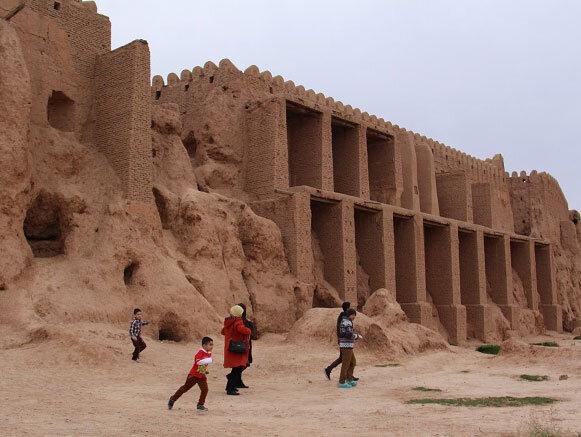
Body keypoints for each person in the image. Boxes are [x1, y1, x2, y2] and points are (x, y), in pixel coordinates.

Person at [168, 337, 214, 412]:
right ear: (204, 345)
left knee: (205, 389)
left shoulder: (208, 353)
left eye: (212, 345)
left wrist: (204, 370)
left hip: (201, 375)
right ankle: (172, 399)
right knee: (185, 388)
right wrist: (209, 360)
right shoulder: (200, 352)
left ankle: (200, 405)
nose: (211, 346)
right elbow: (198, 362)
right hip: (194, 375)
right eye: (210, 345)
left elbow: (203, 365)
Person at [221, 305, 252, 395]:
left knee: (236, 368)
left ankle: (232, 386)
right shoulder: (238, 321)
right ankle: (230, 388)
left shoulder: (229, 322)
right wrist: (248, 330)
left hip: (230, 348)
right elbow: (241, 329)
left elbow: (223, 331)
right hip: (237, 348)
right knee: (237, 368)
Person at [324, 302, 359, 380]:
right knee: (345, 359)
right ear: (347, 308)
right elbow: (344, 330)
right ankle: (344, 377)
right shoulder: (344, 316)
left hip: (343, 340)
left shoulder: (343, 316)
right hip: (344, 341)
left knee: (343, 358)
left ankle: (347, 375)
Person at [337, 308, 362, 388]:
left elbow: (348, 332)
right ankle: (342, 382)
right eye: (354, 315)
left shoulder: (347, 321)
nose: (354, 317)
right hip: (346, 345)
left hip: (348, 345)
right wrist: (356, 336)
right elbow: (347, 334)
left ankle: (349, 378)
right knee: (346, 364)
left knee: (352, 362)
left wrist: (354, 334)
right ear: (350, 315)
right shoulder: (347, 322)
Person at [237, 303, 257, 389]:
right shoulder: (247, 322)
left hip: (237, 345)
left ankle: (237, 380)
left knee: (241, 363)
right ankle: (233, 378)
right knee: (243, 363)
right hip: (245, 345)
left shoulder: (236, 322)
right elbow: (253, 335)